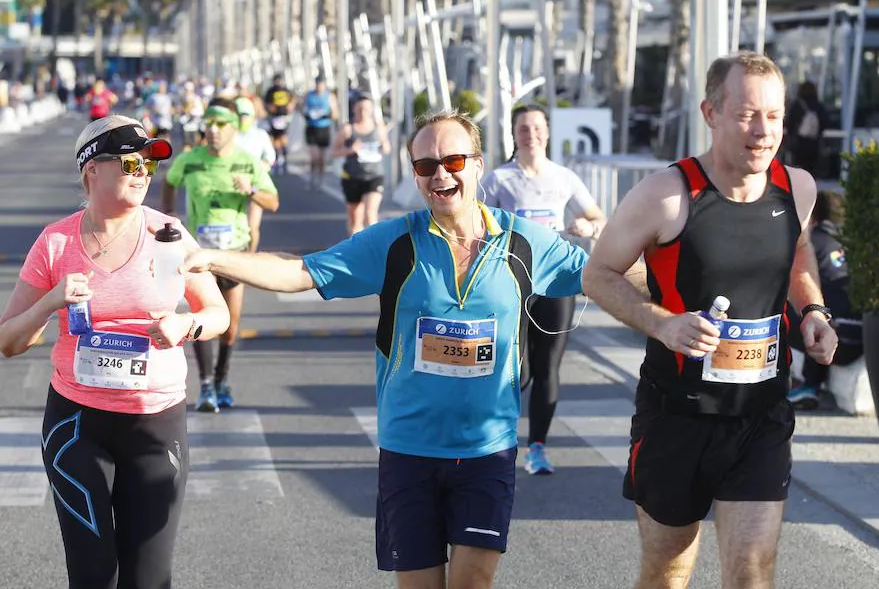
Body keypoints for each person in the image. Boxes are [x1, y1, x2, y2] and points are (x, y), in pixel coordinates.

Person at [178, 109, 588, 588]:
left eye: (453, 160)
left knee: (473, 583)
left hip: (487, 450)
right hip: (408, 451)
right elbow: (301, 272)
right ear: (415, 175)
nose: (441, 174)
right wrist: (214, 259)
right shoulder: (395, 242)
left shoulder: (523, 243)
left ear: (478, 165)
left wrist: (674, 287)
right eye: (425, 165)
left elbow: (605, 271)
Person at [581, 52, 838, 589]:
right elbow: (599, 274)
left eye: (774, 115)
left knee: (752, 570)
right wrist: (662, 325)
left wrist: (812, 309)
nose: (763, 131)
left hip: (761, 413)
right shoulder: (667, 195)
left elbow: (796, 255)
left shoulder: (798, 188)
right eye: (747, 115)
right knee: (669, 569)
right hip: (677, 414)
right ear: (711, 112)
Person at [0, 115, 229, 588]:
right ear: (92, 171)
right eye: (130, 162)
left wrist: (186, 324)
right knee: (93, 576)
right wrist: (50, 301)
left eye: (148, 163)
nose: (143, 171)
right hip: (77, 426)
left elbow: (217, 313)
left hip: (156, 425)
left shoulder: (168, 233)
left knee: (148, 578)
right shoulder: (56, 242)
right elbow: (8, 341)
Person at [482, 103, 606, 475]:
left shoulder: (564, 177)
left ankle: (537, 447)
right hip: (512, 283)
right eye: (523, 129)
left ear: (548, 132)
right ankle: (494, 442)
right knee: (516, 372)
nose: (531, 135)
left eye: (537, 128)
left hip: (556, 281)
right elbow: (476, 223)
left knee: (548, 366)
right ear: (514, 134)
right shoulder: (498, 179)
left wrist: (587, 226)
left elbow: (597, 216)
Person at [161, 97, 280, 413]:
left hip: (234, 253)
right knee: (201, 319)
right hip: (198, 255)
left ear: (233, 128)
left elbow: (272, 202)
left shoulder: (247, 161)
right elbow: (170, 181)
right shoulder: (191, 160)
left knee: (230, 325)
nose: (212, 130)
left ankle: (222, 379)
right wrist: (169, 215)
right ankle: (206, 386)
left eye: (220, 125)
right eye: (208, 124)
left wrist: (250, 190)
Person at [788, 190, 862, 410]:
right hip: (862, 336)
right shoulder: (849, 243)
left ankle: (807, 385)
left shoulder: (811, 243)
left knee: (806, 310)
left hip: (836, 338)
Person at [330, 93, 390, 235]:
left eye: (367, 109)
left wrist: (384, 147)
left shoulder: (378, 127)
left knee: (370, 214)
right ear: (355, 109)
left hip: (374, 175)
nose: (363, 112)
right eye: (360, 108)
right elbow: (334, 151)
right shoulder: (348, 129)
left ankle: (374, 250)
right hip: (352, 176)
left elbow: (386, 147)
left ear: (371, 110)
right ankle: (356, 250)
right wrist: (350, 150)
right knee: (355, 218)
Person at [235, 96, 277, 253]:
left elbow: (270, 157)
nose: (242, 118)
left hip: (255, 185)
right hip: (233, 186)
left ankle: (250, 257)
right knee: (236, 227)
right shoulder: (229, 135)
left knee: (252, 227)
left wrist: (260, 168)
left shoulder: (260, 135)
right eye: (239, 115)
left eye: (246, 115)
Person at [785, 80, 827, 177]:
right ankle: (812, 189)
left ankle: (801, 190)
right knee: (813, 172)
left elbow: (789, 124)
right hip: (815, 145)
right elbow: (825, 122)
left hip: (799, 145)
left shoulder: (797, 105)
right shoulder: (818, 105)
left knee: (800, 172)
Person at [302, 75, 338, 189]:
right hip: (312, 128)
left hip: (323, 128)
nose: (319, 87)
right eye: (317, 84)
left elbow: (335, 114)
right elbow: (302, 109)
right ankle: (312, 178)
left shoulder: (329, 96)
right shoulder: (309, 95)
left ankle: (321, 180)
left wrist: (326, 115)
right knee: (314, 156)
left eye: (321, 84)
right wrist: (308, 115)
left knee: (322, 158)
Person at [263, 73, 296, 174]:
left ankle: (285, 160)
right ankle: (277, 160)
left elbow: (293, 100)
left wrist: (290, 107)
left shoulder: (286, 91)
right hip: (274, 118)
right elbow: (265, 103)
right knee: (276, 140)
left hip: (283, 118)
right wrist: (269, 108)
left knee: (283, 139)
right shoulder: (270, 91)